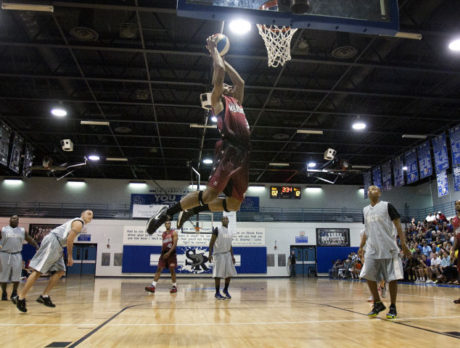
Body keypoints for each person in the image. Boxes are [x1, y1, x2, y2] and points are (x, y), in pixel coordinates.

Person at [146, 34, 250, 234]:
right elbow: (218, 71)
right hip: (229, 149)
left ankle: (193, 211)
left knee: (234, 205)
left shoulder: (237, 101)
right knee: (211, 194)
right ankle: (168, 212)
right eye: (225, 86)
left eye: (230, 87)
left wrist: (225, 60)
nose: (230, 86)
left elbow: (241, 83)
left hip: (244, 154)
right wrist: (214, 52)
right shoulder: (218, 101)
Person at [12, 210, 93, 313]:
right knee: (38, 271)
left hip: (58, 245)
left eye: (92, 215)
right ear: (82, 215)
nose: (91, 216)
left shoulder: (79, 224)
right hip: (53, 242)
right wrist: (70, 256)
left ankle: (44, 296)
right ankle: (20, 298)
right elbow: (69, 240)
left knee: (60, 271)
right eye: (89, 213)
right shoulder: (79, 223)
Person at [358, 186, 411, 319]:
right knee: (367, 273)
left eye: (374, 189)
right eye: (369, 189)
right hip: (372, 248)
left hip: (389, 247)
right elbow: (366, 230)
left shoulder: (387, 206)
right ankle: (377, 302)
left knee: (392, 278)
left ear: (380, 193)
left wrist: (403, 244)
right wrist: (361, 246)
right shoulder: (365, 210)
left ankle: (392, 306)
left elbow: (398, 225)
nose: (371, 190)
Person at [0, 215, 38, 301]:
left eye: (17, 219)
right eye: (13, 218)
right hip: (4, 254)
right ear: (9, 220)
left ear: (18, 221)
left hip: (17, 254)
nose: (15, 220)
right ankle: (4, 293)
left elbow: (30, 239)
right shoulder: (3, 230)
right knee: (3, 276)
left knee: (16, 276)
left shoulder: (22, 230)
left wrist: (36, 246)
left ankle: (14, 292)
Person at [145, 220, 178, 294]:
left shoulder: (174, 233)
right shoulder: (163, 234)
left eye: (169, 223)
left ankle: (174, 286)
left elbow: (175, 244)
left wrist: (169, 253)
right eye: (166, 223)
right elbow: (163, 244)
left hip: (171, 253)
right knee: (159, 269)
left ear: (170, 224)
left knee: (172, 270)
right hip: (164, 253)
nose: (167, 224)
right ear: (164, 225)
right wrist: (162, 253)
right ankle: (153, 286)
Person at [209, 216, 236, 300]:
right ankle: (217, 293)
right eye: (223, 218)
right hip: (218, 254)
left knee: (229, 274)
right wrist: (209, 254)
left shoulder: (230, 232)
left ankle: (225, 290)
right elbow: (211, 242)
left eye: (226, 218)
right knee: (218, 274)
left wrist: (232, 256)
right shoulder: (217, 229)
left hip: (227, 254)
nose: (225, 219)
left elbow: (230, 244)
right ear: (221, 221)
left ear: (228, 221)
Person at [450, 200, 460, 303]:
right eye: (456, 204)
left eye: (459, 204)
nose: (457, 206)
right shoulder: (454, 220)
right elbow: (456, 237)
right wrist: (453, 250)